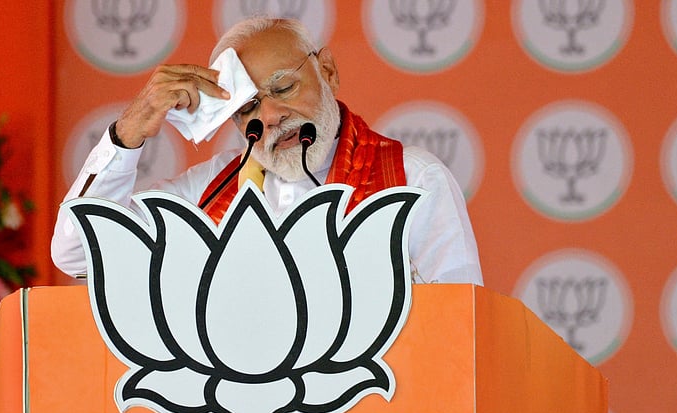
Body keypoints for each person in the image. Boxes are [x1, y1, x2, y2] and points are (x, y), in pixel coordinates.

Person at [52, 17, 483, 285]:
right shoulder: (205, 192)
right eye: (249, 106)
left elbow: (459, 329)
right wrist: (130, 131)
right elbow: (77, 252)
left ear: (327, 72)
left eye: (284, 87)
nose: (273, 115)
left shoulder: (412, 180)